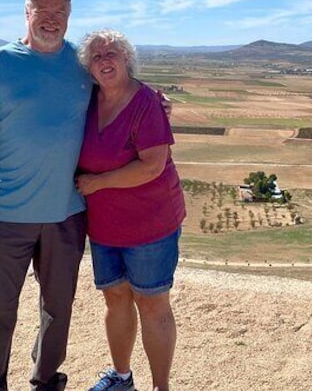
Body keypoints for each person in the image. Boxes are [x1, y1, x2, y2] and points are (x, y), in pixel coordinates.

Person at [0, 0, 91, 391]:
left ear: (69, 17)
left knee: (58, 309)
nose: (51, 20)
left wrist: (156, 103)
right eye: (42, 11)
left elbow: (121, 95)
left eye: (60, 12)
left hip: (66, 212)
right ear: (26, 13)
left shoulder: (82, 63)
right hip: (6, 213)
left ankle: (46, 381)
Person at [75, 29, 186, 391]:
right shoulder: (87, 100)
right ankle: (122, 378)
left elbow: (152, 165)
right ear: (88, 67)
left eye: (113, 54)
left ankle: (161, 387)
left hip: (150, 223)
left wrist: (97, 183)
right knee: (116, 298)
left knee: (152, 304)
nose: (105, 61)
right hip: (106, 225)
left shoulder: (146, 102)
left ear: (127, 60)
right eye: (97, 56)